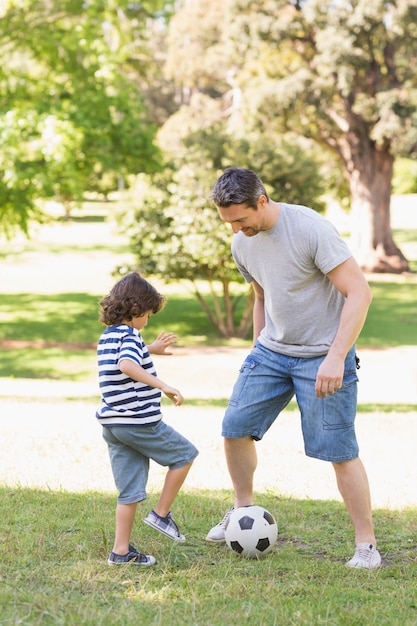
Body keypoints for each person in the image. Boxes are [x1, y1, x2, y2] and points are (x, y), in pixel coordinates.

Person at [205, 167, 381, 569]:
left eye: (241, 219)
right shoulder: (241, 244)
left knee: (339, 450)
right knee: (234, 428)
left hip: (323, 352)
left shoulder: (309, 229)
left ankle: (366, 546)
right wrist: (256, 349)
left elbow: (359, 292)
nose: (235, 229)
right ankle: (241, 510)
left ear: (262, 201)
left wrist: (337, 356)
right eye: (228, 222)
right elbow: (261, 296)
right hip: (271, 351)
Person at [96, 272, 198, 567]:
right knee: (185, 456)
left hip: (113, 425)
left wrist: (151, 349)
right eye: (149, 315)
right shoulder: (129, 336)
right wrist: (162, 384)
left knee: (129, 492)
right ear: (136, 309)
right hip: (138, 421)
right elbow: (126, 364)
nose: (148, 321)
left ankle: (120, 551)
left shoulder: (111, 335)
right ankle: (161, 514)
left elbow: (126, 356)